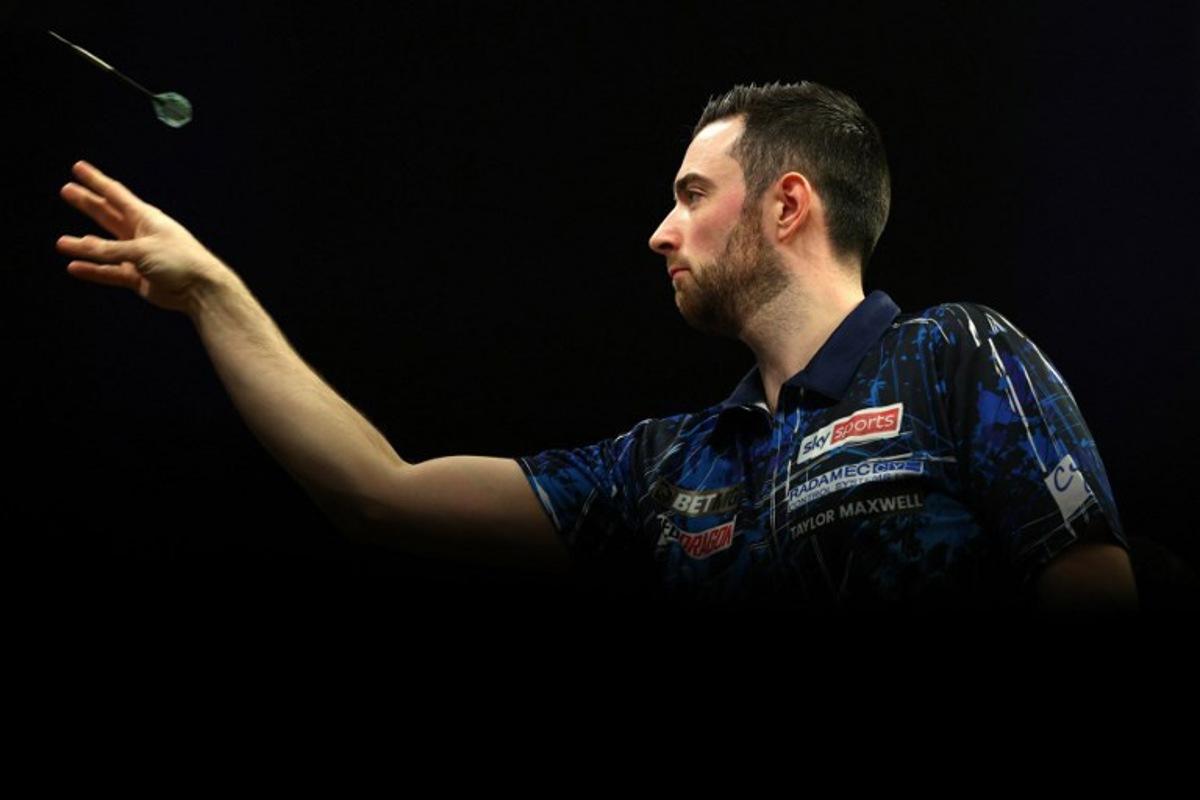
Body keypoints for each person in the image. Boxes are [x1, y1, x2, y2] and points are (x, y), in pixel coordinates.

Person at [55, 81, 1137, 620]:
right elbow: (379, 491)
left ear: (788, 203)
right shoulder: (670, 466)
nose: (661, 230)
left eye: (691, 195)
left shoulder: (958, 355)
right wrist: (212, 292)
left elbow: (1093, 576)